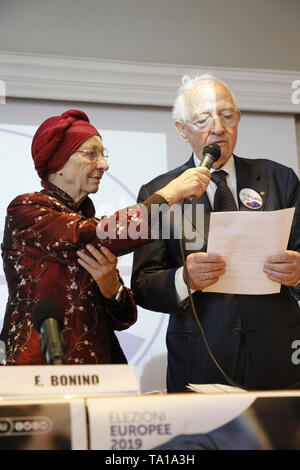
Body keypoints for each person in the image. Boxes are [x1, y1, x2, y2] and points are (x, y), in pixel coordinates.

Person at [131, 74, 300, 392]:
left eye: (227, 115)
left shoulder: (281, 179)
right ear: (182, 130)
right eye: (203, 119)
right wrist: (184, 279)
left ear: (238, 119)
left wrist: (298, 272)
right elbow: (142, 284)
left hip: (280, 357)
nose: (219, 127)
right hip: (200, 358)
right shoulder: (160, 193)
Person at [0, 109, 210, 366]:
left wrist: (112, 288)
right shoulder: (26, 209)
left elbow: (126, 317)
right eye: (90, 154)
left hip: (100, 372)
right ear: (58, 163)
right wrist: (168, 194)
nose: (104, 165)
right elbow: (92, 235)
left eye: (103, 154)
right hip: (35, 370)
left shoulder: (89, 220)